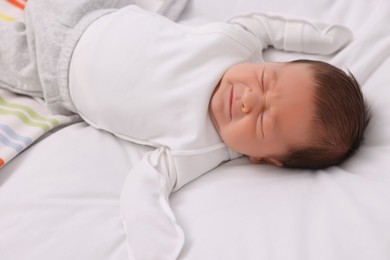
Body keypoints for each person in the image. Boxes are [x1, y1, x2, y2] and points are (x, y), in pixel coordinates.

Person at [0, 0, 370, 259]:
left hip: (51, 71)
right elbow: (263, 25)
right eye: (264, 78)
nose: (248, 99)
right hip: (97, 12)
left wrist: (152, 244)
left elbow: (146, 185)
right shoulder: (235, 46)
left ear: (265, 158)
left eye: (261, 120)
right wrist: (320, 37)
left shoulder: (200, 149)